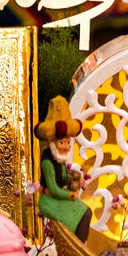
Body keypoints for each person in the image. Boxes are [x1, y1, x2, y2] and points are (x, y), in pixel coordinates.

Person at [34, 96, 92, 241]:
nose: (66, 147)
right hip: (50, 200)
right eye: (62, 142)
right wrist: (70, 195)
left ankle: (79, 244)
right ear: (53, 143)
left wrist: (75, 178)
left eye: (68, 142)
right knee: (83, 214)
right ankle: (76, 244)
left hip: (60, 197)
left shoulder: (59, 158)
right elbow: (53, 189)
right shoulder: (47, 162)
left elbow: (64, 177)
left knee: (87, 212)